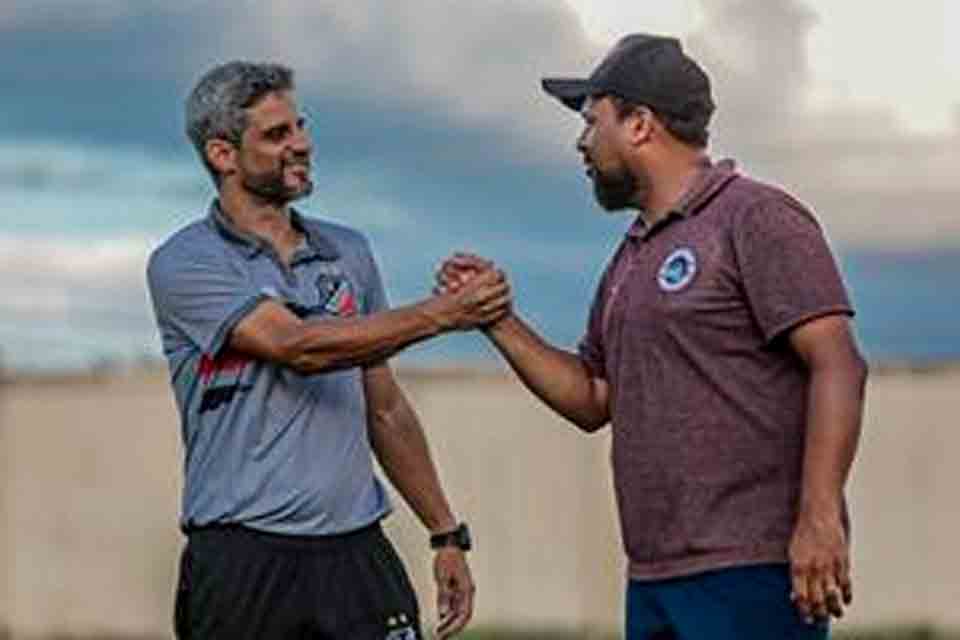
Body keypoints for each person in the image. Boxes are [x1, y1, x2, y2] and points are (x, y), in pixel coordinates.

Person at [439, 34, 868, 640]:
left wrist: (820, 517)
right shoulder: (630, 258)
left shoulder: (756, 217)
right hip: (654, 575)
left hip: (752, 568)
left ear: (639, 124)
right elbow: (592, 399)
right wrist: (496, 319)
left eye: (593, 122)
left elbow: (839, 365)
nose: (582, 143)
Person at [147, 61, 509, 639]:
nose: (302, 145)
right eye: (277, 134)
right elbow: (296, 348)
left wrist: (444, 532)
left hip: (356, 552)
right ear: (223, 154)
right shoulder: (187, 262)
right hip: (243, 559)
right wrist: (443, 314)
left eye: (300, 127)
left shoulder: (349, 253)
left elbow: (384, 408)